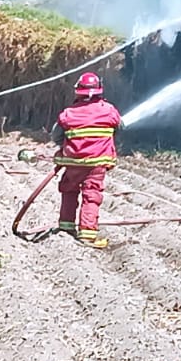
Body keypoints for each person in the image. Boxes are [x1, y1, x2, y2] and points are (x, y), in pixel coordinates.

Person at [51, 72, 123, 249]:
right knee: (91, 196)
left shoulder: (68, 114)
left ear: (78, 91)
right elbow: (120, 128)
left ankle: (66, 226)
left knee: (69, 191)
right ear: (99, 90)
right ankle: (87, 234)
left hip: (73, 163)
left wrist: (67, 149)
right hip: (96, 164)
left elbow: (56, 136)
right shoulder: (109, 111)